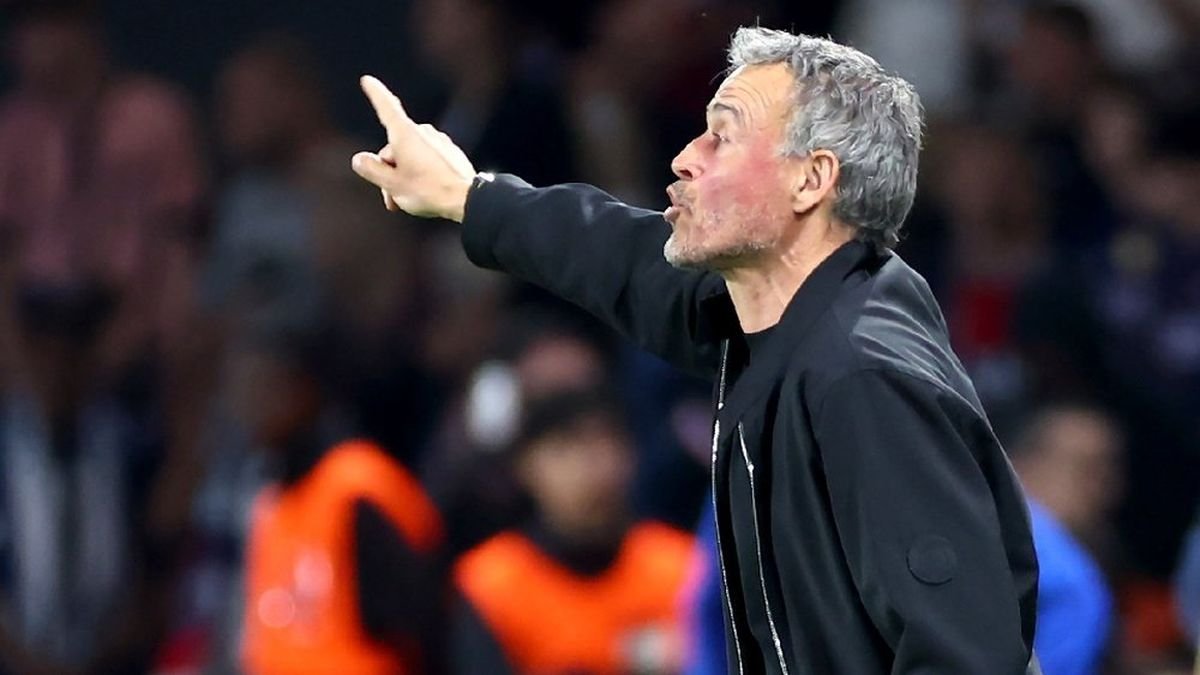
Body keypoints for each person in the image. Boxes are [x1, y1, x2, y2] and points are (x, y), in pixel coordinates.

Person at [352, 26, 1040, 674]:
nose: (686, 157)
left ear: (810, 180)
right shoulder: (780, 317)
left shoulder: (864, 377)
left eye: (722, 137)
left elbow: (966, 659)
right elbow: (622, 257)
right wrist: (469, 197)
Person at [229, 316, 444, 675]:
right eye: (243, 388)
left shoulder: (360, 485)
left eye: (265, 386)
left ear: (306, 390)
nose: (250, 405)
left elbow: (416, 629)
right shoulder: (271, 494)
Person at [451, 389, 694, 674]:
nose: (591, 466)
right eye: (565, 447)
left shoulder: (682, 565)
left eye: (605, 442)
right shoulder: (491, 585)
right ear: (525, 465)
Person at [1010, 405, 1121, 675]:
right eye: (1088, 468)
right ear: (1021, 462)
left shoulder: (962, 527)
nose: (1107, 487)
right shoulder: (1069, 579)